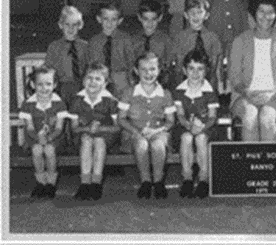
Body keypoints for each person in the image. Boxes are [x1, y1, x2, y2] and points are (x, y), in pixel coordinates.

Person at [229, 0, 276, 142]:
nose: (266, 16)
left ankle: (271, 164)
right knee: (250, 117)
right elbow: (234, 77)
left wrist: (273, 94)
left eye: (271, 12)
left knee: (266, 118)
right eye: (261, 11)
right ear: (254, 12)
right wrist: (248, 93)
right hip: (244, 95)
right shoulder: (240, 40)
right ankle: (250, 165)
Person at [118, 52, 176, 199]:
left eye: (152, 69)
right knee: (142, 144)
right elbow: (121, 119)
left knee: (157, 145)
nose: (148, 73)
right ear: (136, 71)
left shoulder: (166, 94)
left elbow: (170, 121)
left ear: (159, 70)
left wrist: (158, 130)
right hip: (133, 133)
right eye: (143, 69)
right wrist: (136, 131)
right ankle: (145, 181)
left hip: (159, 131)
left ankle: (158, 182)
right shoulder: (128, 92)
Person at [69, 62, 121, 201]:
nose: (93, 82)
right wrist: (88, 128)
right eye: (89, 78)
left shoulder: (111, 101)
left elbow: (117, 127)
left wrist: (100, 129)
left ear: (105, 84)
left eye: (98, 79)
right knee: (86, 139)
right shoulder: (76, 100)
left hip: (106, 136)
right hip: (82, 135)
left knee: (98, 140)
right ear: (83, 80)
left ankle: (96, 183)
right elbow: (74, 128)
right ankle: (85, 183)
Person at [173, 50, 220, 199]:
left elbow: (212, 118)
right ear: (184, 70)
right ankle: (187, 178)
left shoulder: (210, 93)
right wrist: (188, 125)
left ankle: (203, 179)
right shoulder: (179, 91)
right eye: (191, 68)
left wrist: (201, 127)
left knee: (200, 138)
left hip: (206, 129)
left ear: (206, 71)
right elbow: (180, 114)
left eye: (200, 69)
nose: (195, 73)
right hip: (184, 127)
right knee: (186, 137)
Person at [18, 66, 70, 199]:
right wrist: (38, 138)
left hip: (55, 138)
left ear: (55, 85)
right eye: (40, 84)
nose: (44, 88)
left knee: (48, 150)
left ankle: (51, 183)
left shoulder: (59, 104)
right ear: (33, 85)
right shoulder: (28, 105)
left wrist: (48, 138)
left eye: (48, 84)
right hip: (33, 137)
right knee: (36, 150)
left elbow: (59, 128)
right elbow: (29, 128)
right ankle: (41, 182)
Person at [45, 5, 89, 152]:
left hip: (81, 87)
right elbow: (49, 70)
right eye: (67, 25)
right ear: (60, 25)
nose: (71, 29)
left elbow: (89, 68)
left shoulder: (85, 46)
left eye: (75, 25)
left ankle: (78, 144)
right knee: (61, 111)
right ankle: (63, 143)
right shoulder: (54, 47)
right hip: (61, 87)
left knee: (79, 112)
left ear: (80, 25)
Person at [168, 0, 222, 91]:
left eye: (199, 12)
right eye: (191, 12)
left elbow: (214, 66)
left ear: (206, 15)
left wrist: (212, 89)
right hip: (186, 81)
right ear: (186, 15)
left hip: (206, 81)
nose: (195, 16)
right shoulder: (180, 37)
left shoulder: (213, 37)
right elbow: (178, 66)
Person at [88, 3, 135, 98]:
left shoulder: (125, 38)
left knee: (123, 102)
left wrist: (131, 80)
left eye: (114, 19)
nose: (109, 23)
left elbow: (131, 60)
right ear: (99, 19)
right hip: (100, 78)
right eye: (105, 19)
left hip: (120, 77)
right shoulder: (94, 41)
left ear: (120, 21)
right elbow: (91, 63)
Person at [131, 0, 172, 88]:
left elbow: (168, 64)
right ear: (139, 18)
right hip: (138, 81)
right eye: (145, 19)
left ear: (160, 18)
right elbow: (131, 63)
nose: (150, 23)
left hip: (160, 81)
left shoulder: (166, 40)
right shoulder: (133, 40)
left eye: (153, 19)